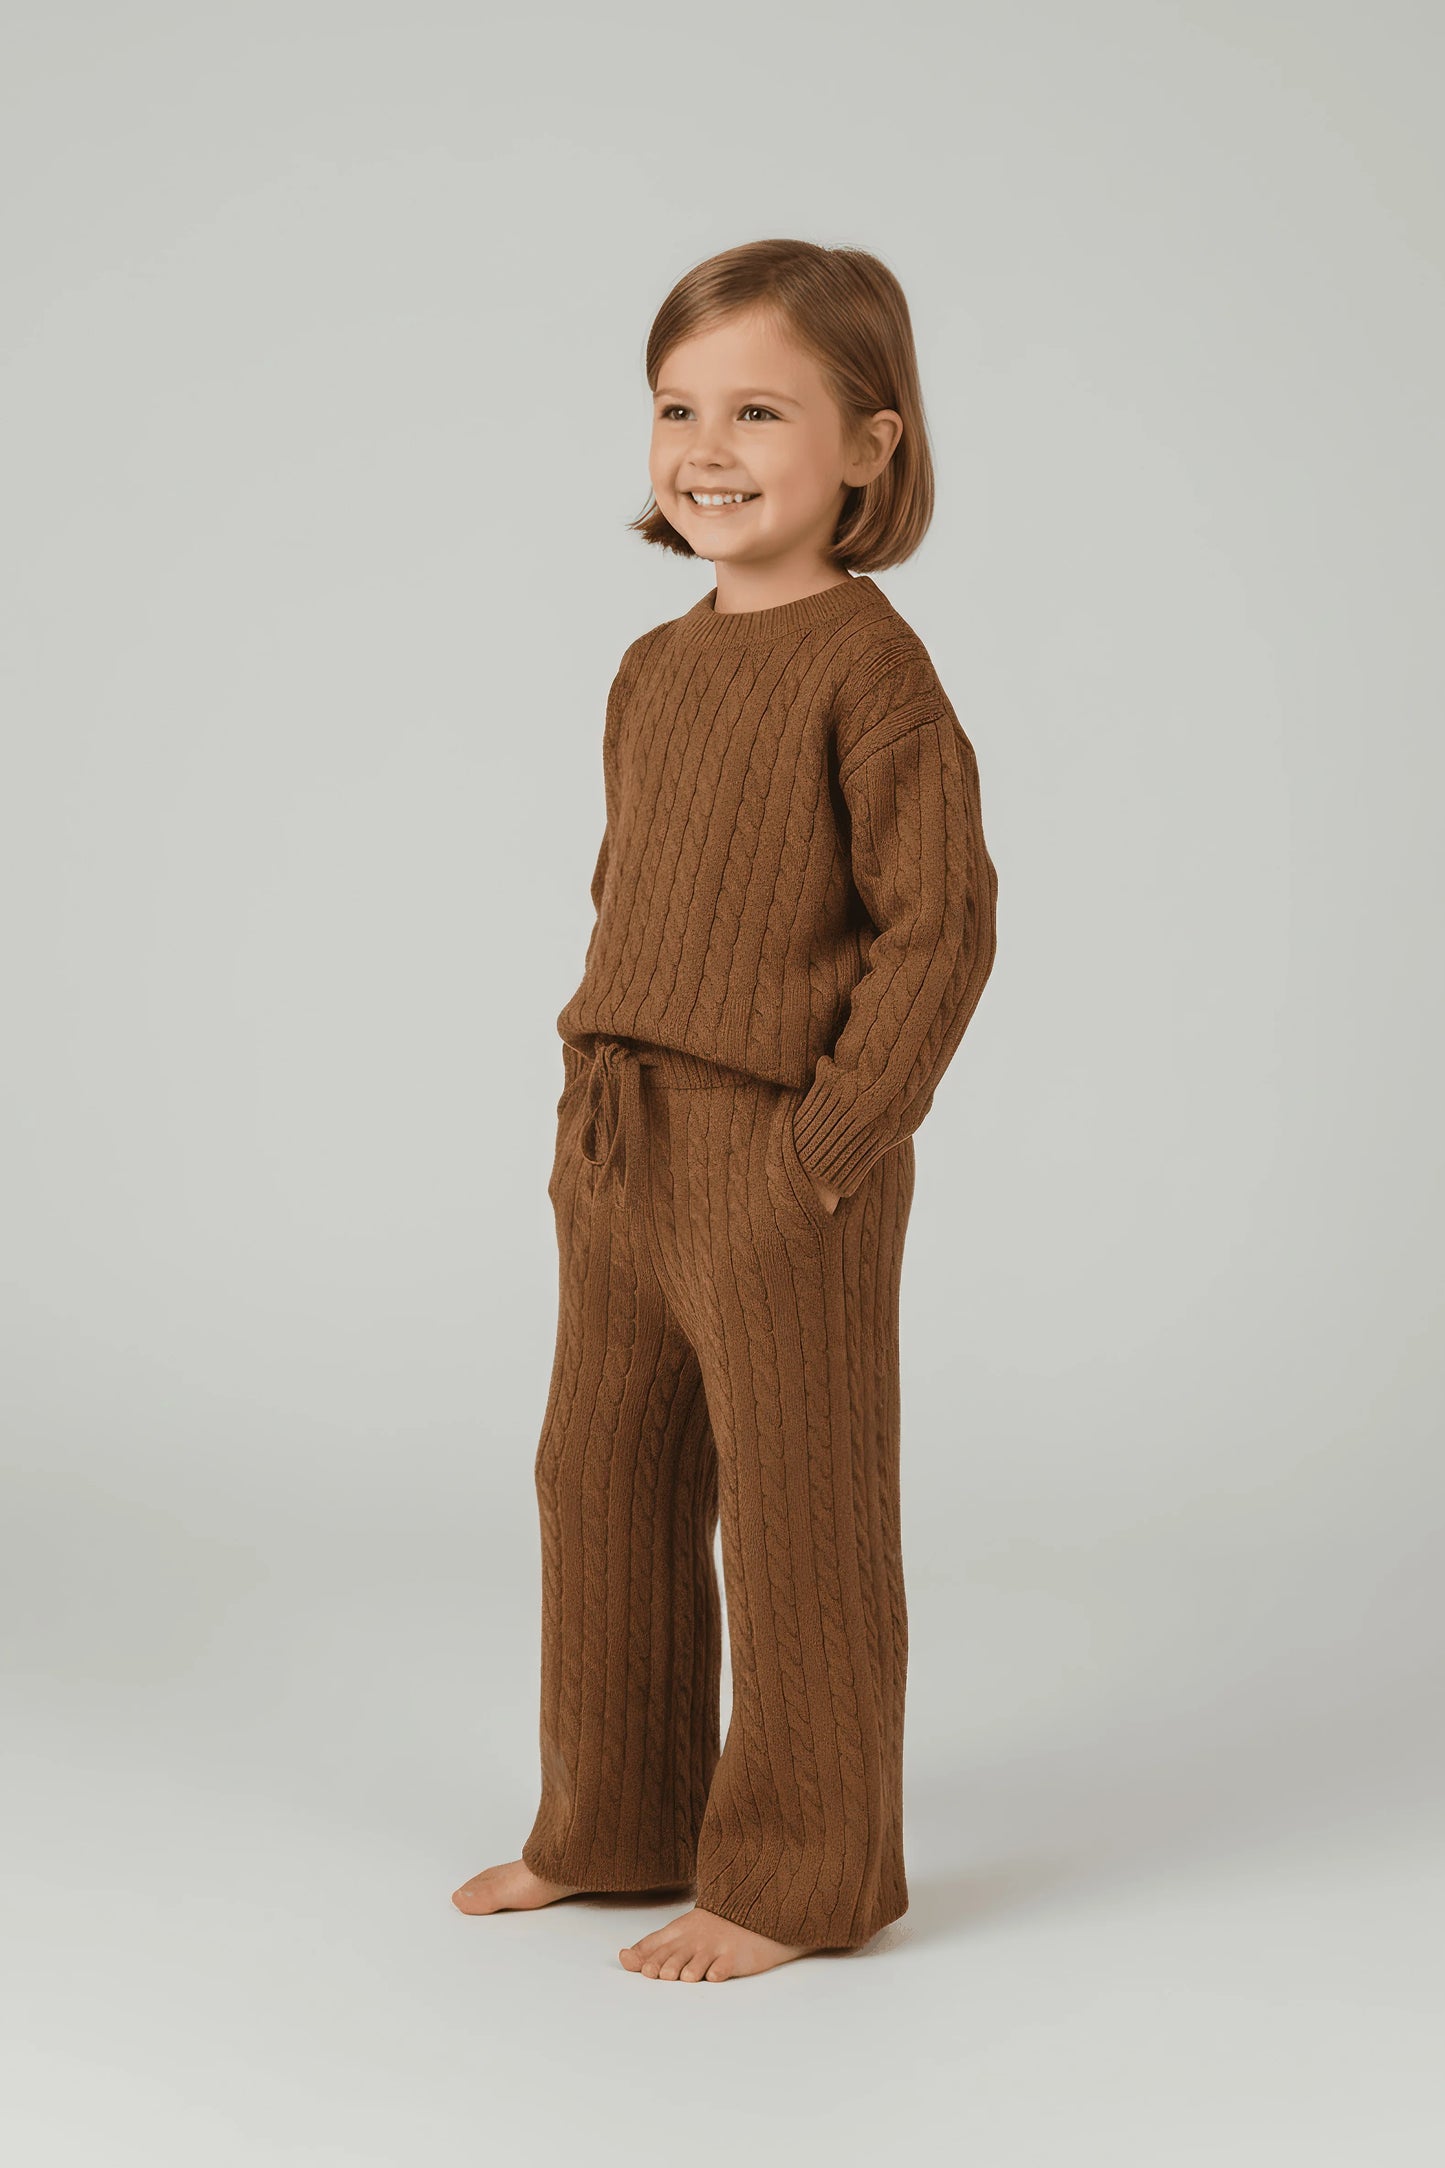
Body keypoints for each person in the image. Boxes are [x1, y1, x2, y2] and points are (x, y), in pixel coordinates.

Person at [453, 238, 999, 1981]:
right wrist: (583, 1121)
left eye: (758, 408)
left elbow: (943, 929)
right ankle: (612, 1820)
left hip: (781, 1160)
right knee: (594, 1473)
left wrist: (827, 1150)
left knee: (798, 1511)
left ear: (868, 448)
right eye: (676, 406)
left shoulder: (873, 671)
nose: (705, 444)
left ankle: (797, 1875)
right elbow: (635, 896)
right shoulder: (652, 667)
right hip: (617, 1142)